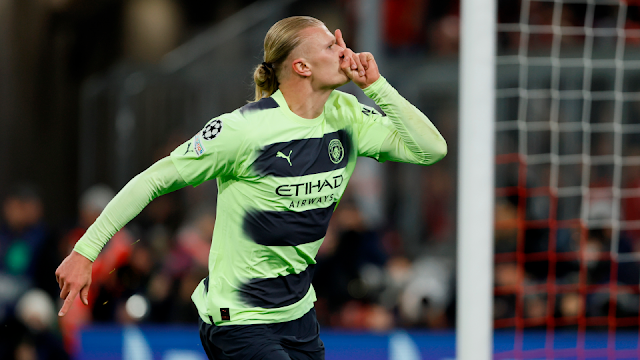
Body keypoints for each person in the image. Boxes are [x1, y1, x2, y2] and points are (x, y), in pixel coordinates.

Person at [55, 16, 447, 360]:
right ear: (302, 66)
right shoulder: (242, 130)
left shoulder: (346, 115)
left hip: (297, 313)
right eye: (331, 45)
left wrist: (376, 86)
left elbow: (431, 149)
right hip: (238, 320)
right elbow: (154, 179)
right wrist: (85, 252)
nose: (345, 52)